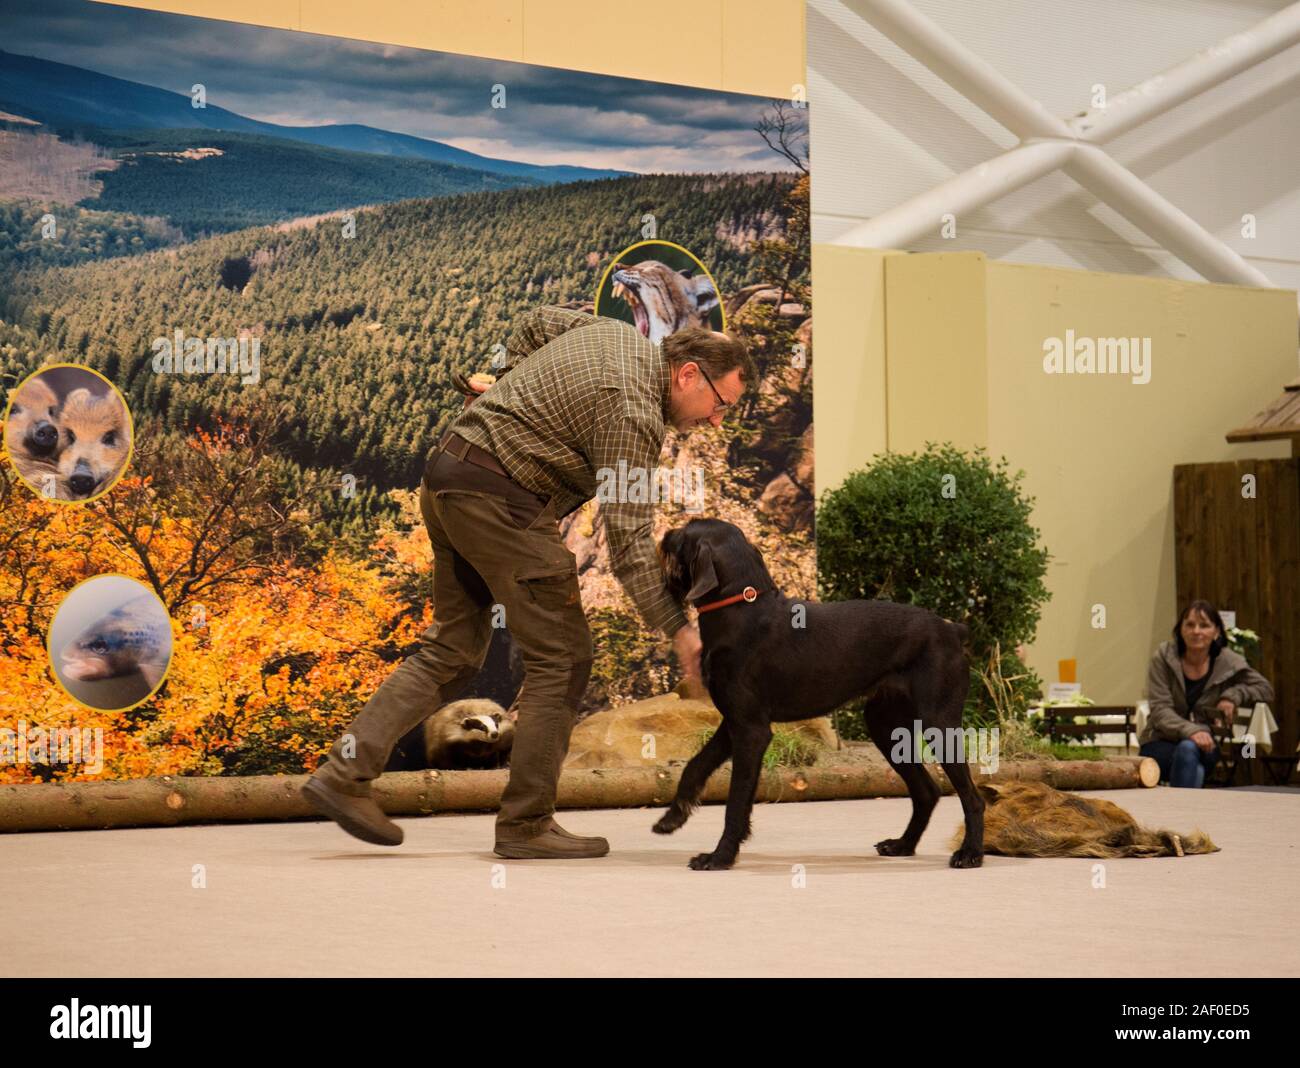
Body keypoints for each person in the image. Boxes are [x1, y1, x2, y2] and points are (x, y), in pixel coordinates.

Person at [302, 304, 756, 857]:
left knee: (452, 647)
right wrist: (684, 636)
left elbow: (537, 320)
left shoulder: (612, 333)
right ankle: (525, 824)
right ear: (688, 374)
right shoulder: (633, 415)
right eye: (720, 404)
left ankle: (344, 772)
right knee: (562, 659)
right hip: (504, 503)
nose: (716, 420)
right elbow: (633, 546)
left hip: (448, 475)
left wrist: (507, 386)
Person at [1138, 599, 1274, 788]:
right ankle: (1189, 808)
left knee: (1189, 752)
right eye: (1190, 624)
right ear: (1181, 629)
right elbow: (1160, 710)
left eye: (1204, 625)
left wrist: (1232, 696)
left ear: (1216, 631)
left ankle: (1178, 811)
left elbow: (1265, 689)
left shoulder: (1228, 661)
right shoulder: (1163, 657)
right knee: (1191, 759)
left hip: (1206, 743)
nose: (1196, 631)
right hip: (1161, 740)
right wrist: (1192, 731)